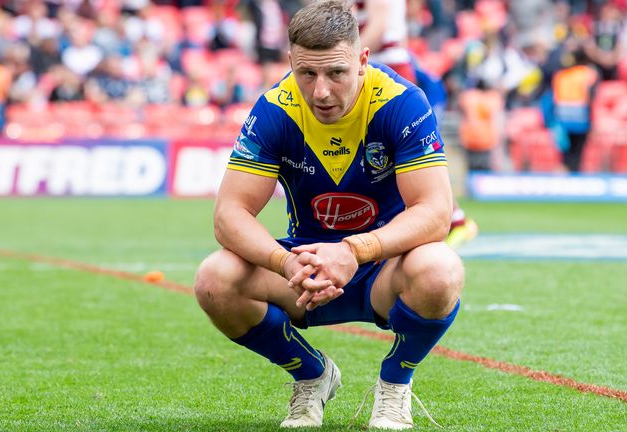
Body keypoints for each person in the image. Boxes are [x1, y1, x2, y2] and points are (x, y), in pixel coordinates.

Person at [193, 0, 464, 429]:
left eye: (336, 73)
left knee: (441, 268)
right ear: (290, 62)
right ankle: (312, 375)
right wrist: (284, 261)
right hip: (303, 273)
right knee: (214, 280)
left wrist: (356, 250)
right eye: (307, 73)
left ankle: (394, 385)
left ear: (362, 61)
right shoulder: (274, 109)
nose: (320, 91)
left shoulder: (402, 102)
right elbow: (229, 214)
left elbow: (435, 214)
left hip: (382, 268)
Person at [354, 0, 476, 248]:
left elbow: (378, 24)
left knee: (403, 150)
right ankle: (453, 218)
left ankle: (450, 218)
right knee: (395, 151)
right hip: (380, 62)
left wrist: (347, 59)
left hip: (381, 64)